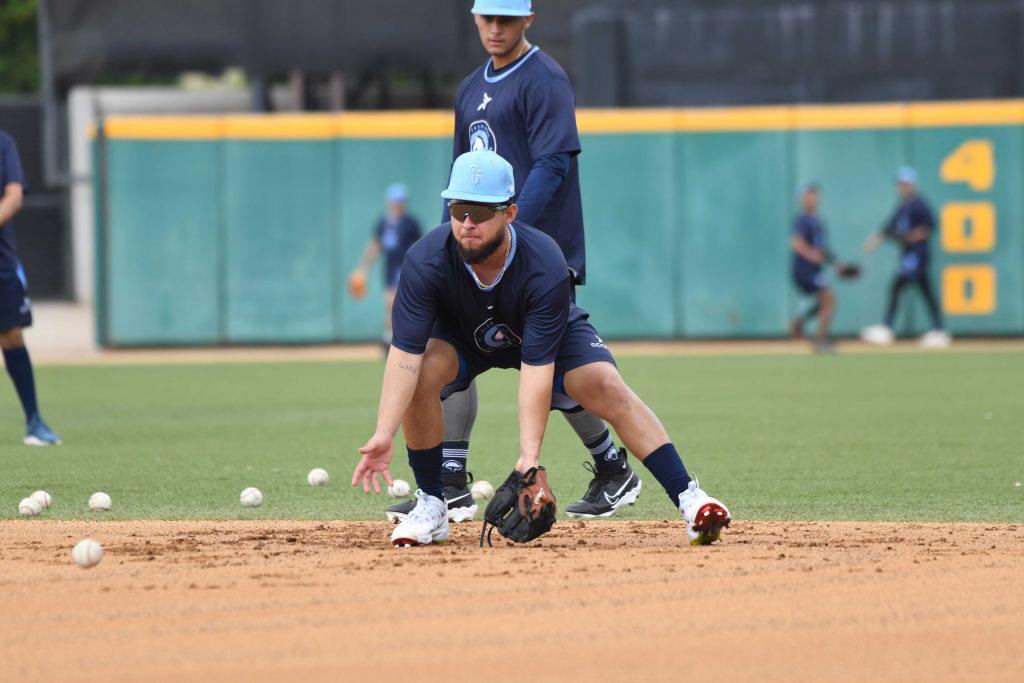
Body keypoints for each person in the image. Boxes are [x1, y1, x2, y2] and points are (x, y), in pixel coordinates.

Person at [352, 150, 730, 548]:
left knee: (605, 384)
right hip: (462, 335)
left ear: (510, 213)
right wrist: (383, 433)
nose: (466, 223)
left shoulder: (544, 261)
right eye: (458, 207)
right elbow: (404, 357)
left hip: (542, 334)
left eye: (480, 211)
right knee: (422, 374)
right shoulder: (425, 260)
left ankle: (691, 498)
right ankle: (432, 505)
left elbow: (536, 370)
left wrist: (528, 455)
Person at [384, 0, 643, 525]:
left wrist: (514, 231)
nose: (496, 28)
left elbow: (553, 164)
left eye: (507, 18)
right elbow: (460, 177)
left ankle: (612, 465)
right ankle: (449, 484)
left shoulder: (544, 78)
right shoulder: (469, 87)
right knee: (446, 343)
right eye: (488, 18)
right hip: (477, 254)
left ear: (529, 18)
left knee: (548, 365)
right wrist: (450, 239)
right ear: (474, 19)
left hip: (536, 252)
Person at [0, 130, 61, 445]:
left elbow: (14, 196)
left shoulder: (3, 143)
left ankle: (34, 422)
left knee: (11, 336)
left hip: (1, 261)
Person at [861, 167, 951, 348]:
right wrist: (875, 239)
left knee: (898, 285)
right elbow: (889, 226)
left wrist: (914, 235)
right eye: (901, 183)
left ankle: (886, 328)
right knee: (924, 290)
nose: (903, 187)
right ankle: (939, 330)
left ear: (913, 185)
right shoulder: (902, 205)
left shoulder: (919, 203)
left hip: (917, 252)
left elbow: (931, 224)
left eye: (906, 183)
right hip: (908, 253)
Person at [348, 184, 422, 347]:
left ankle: (399, 338)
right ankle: (389, 337)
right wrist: (362, 268)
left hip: (405, 267)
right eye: (395, 201)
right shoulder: (383, 222)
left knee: (396, 301)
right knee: (388, 302)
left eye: (400, 201)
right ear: (389, 202)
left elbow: (420, 247)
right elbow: (375, 245)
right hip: (390, 267)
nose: (397, 204)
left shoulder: (410, 223)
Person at [788, 182, 848, 352]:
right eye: (807, 195)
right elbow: (795, 243)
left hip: (815, 269)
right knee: (829, 298)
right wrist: (811, 255)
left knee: (825, 300)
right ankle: (820, 339)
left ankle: (798, 324)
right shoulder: (802, 219)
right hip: (804, 268)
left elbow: (822, 249)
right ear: (801, 199)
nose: (812, 198)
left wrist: (836, 263)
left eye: (814, 194)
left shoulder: (818, 220)